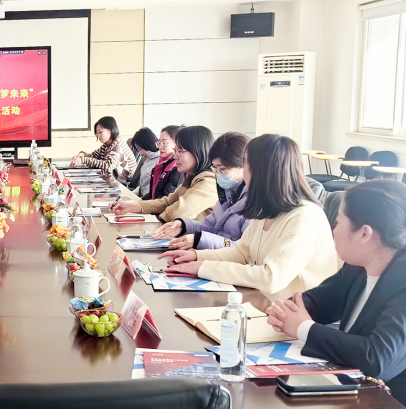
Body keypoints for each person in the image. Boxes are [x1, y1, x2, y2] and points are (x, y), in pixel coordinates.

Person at [265, 179, 406, 409]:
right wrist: (288, 311)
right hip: (369, 390)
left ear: (364, 233)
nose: (333, 229)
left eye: (339, 221)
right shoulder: (365, 260)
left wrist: (303, 328)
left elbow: (378, 359)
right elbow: (321, 300)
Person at [158, 134, 339, 301]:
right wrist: (196, 256)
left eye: (246, 165)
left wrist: (203, 267)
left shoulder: (305, 216)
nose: (244, 173)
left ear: (262, 172)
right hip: (268, 303)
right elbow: (240, 253)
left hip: (298, 315)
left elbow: (270, 278)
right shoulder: (267, 209)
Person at [151, 132, 250, 250]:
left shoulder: (255, 203)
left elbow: (244, 249)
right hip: (213, 256)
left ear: (246, 166)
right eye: (215, 168)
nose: (218, 174)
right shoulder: (228, 192)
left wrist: (200, 240)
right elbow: (210, 226)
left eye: (223, 169)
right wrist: (183, 226)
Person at [110, 125, 216, 222]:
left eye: (180, 151)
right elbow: (167, 202)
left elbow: (176, 214)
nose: (175, 156)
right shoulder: (190, 177)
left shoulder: (208, 182)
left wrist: (151, 217)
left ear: (198, 151)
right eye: (175, 150)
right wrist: (132, 206)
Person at [70, 116, 137, 183]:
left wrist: (84, 160)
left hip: (124, 183)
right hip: (112, 180)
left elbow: (109, 166)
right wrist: (83, 155)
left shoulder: (117, 145)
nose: (98, 136)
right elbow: (94, 156)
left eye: (100, 132)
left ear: (110, 130)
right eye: (97, 133)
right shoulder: (107, 144)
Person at [148, 125, 183, 200]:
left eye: (164, 142)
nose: (160, 147)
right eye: (159, 142)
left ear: (177, 143)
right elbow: (151, 195)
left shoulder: (178, 168)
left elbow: (167, 200)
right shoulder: (160, 165)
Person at [125, 127, 160, 196]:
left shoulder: (159, 162)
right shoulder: (148, 159)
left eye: (140, 149)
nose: (140, 154)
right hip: (141, 198)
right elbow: (142, 186)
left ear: (147, 144)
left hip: (148, 200)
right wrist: (131, 195)